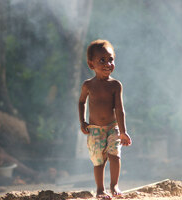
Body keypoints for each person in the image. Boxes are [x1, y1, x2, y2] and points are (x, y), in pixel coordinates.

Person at [79, 39, 132, 198]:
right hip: (95, 130)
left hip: (112, 127)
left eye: (111, 59)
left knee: (114, 155)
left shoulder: (116, 85)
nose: (108, 64)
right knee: (99, 161)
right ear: (91, 65)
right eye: (102, 60)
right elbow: (81, 102)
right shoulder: (88, 85)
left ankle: (114, 186)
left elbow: (119, 110)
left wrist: (123, 132)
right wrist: (82, 121)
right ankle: (100, 190)